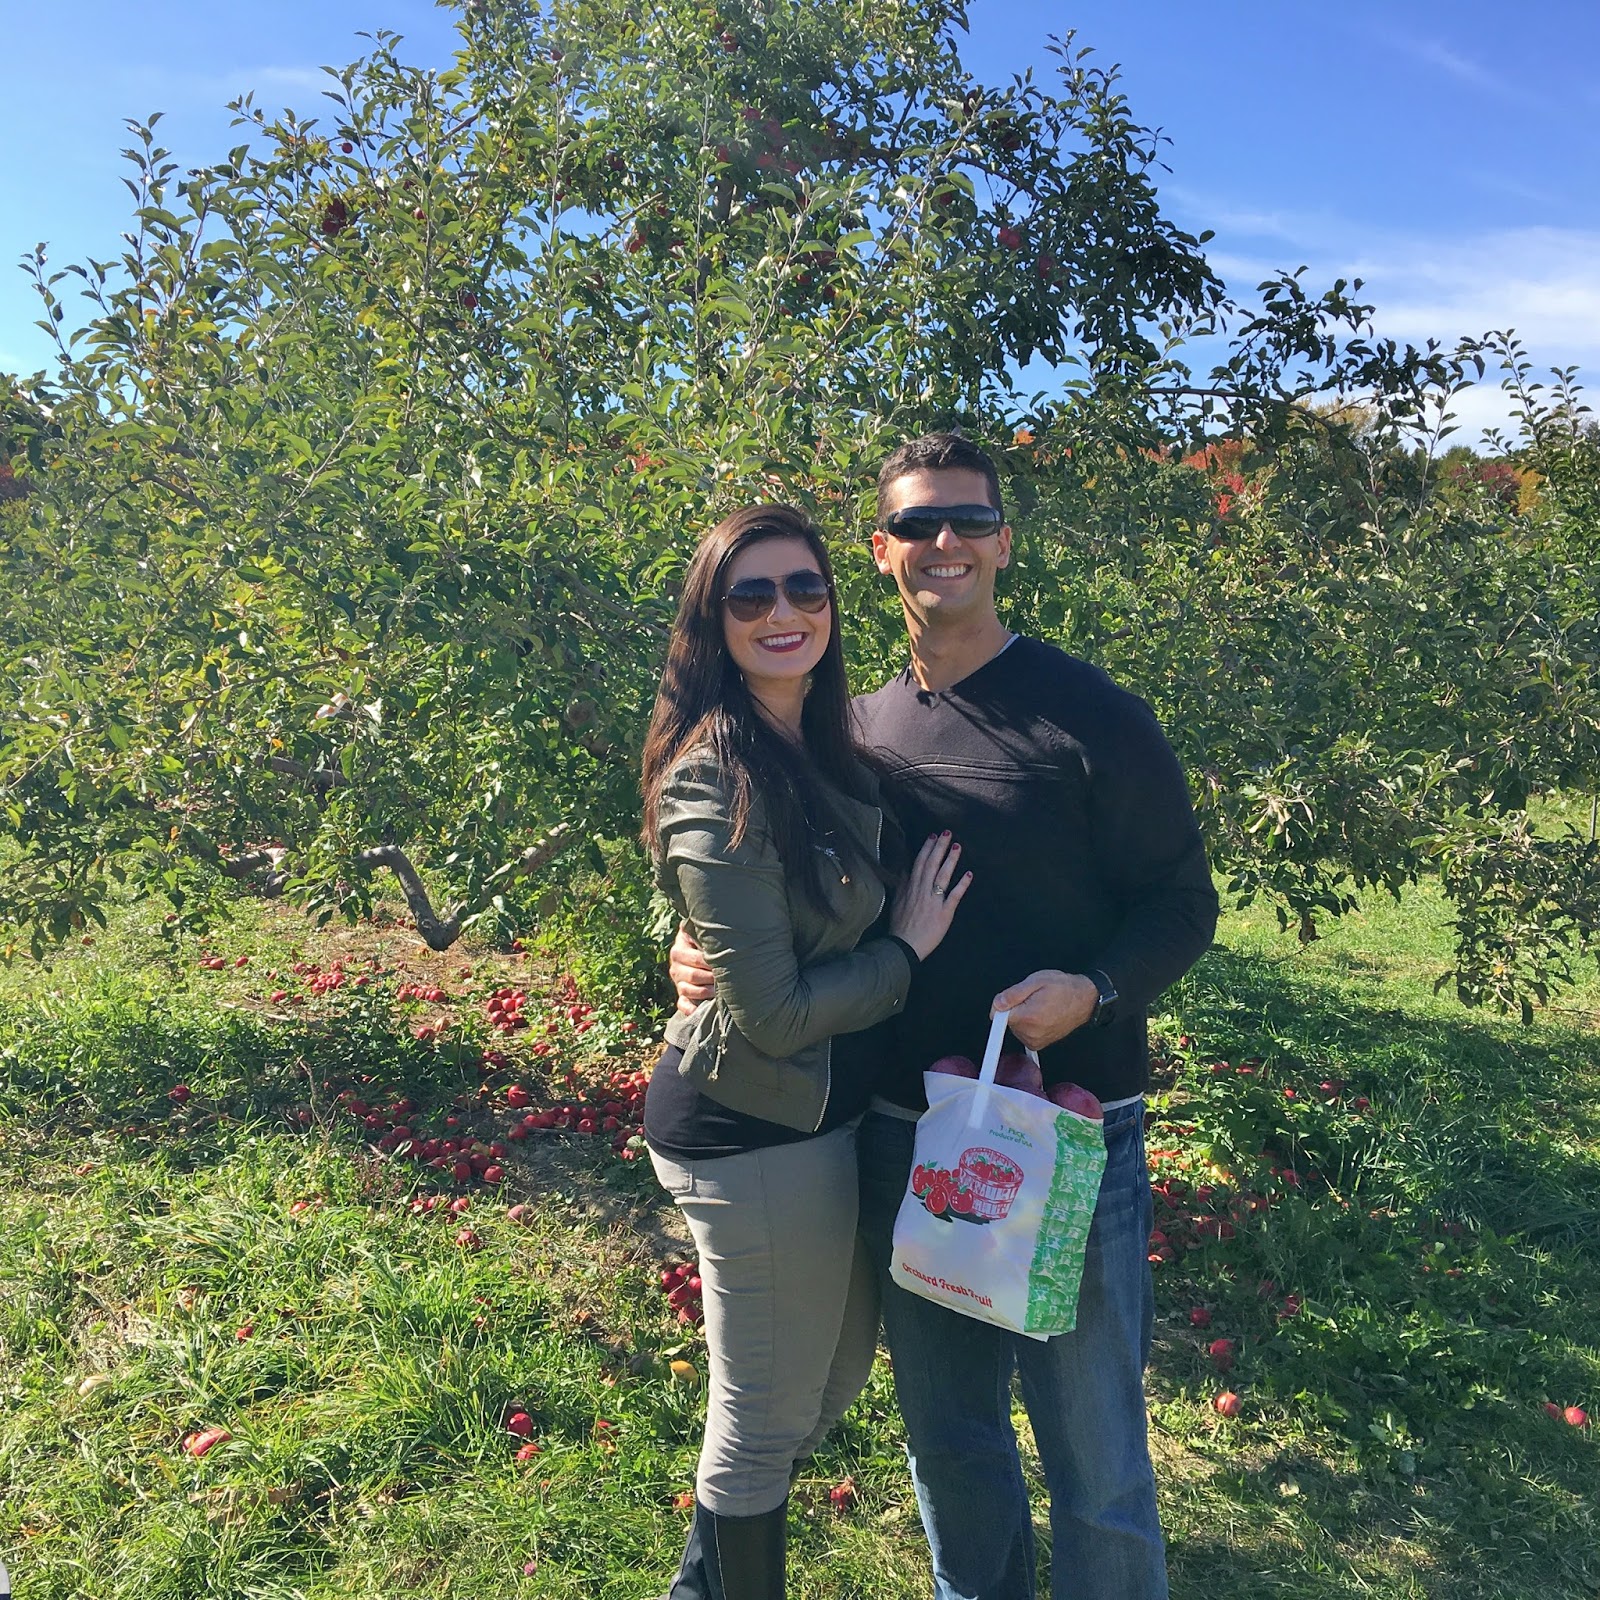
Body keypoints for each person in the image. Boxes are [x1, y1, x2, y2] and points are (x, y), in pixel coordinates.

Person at [670, 435, 1220, 1599]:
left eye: (967, 520)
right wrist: (691, 948)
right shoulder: (851, 731)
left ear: (1003, 542)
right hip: (905, 1129)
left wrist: (1097, 990)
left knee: (1096, 1453)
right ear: (881, 554)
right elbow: (753, 871)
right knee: (952, 1437)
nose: (944, 544)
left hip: (1067, 1125)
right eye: (916, 526)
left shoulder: (1093, 717)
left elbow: (1182, 901)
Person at [640, 502, 971, 1600]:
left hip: (826, 1116)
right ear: (714, 620)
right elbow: (773, 1015)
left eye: (804, 589)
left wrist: (685, 943)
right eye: (751, 594)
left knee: (820, 1392)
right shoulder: (715, 772)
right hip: (750, 1125)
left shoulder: (824, 745)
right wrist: (907, 953)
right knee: (762, 1415)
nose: (783, 612)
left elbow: (731, 917)